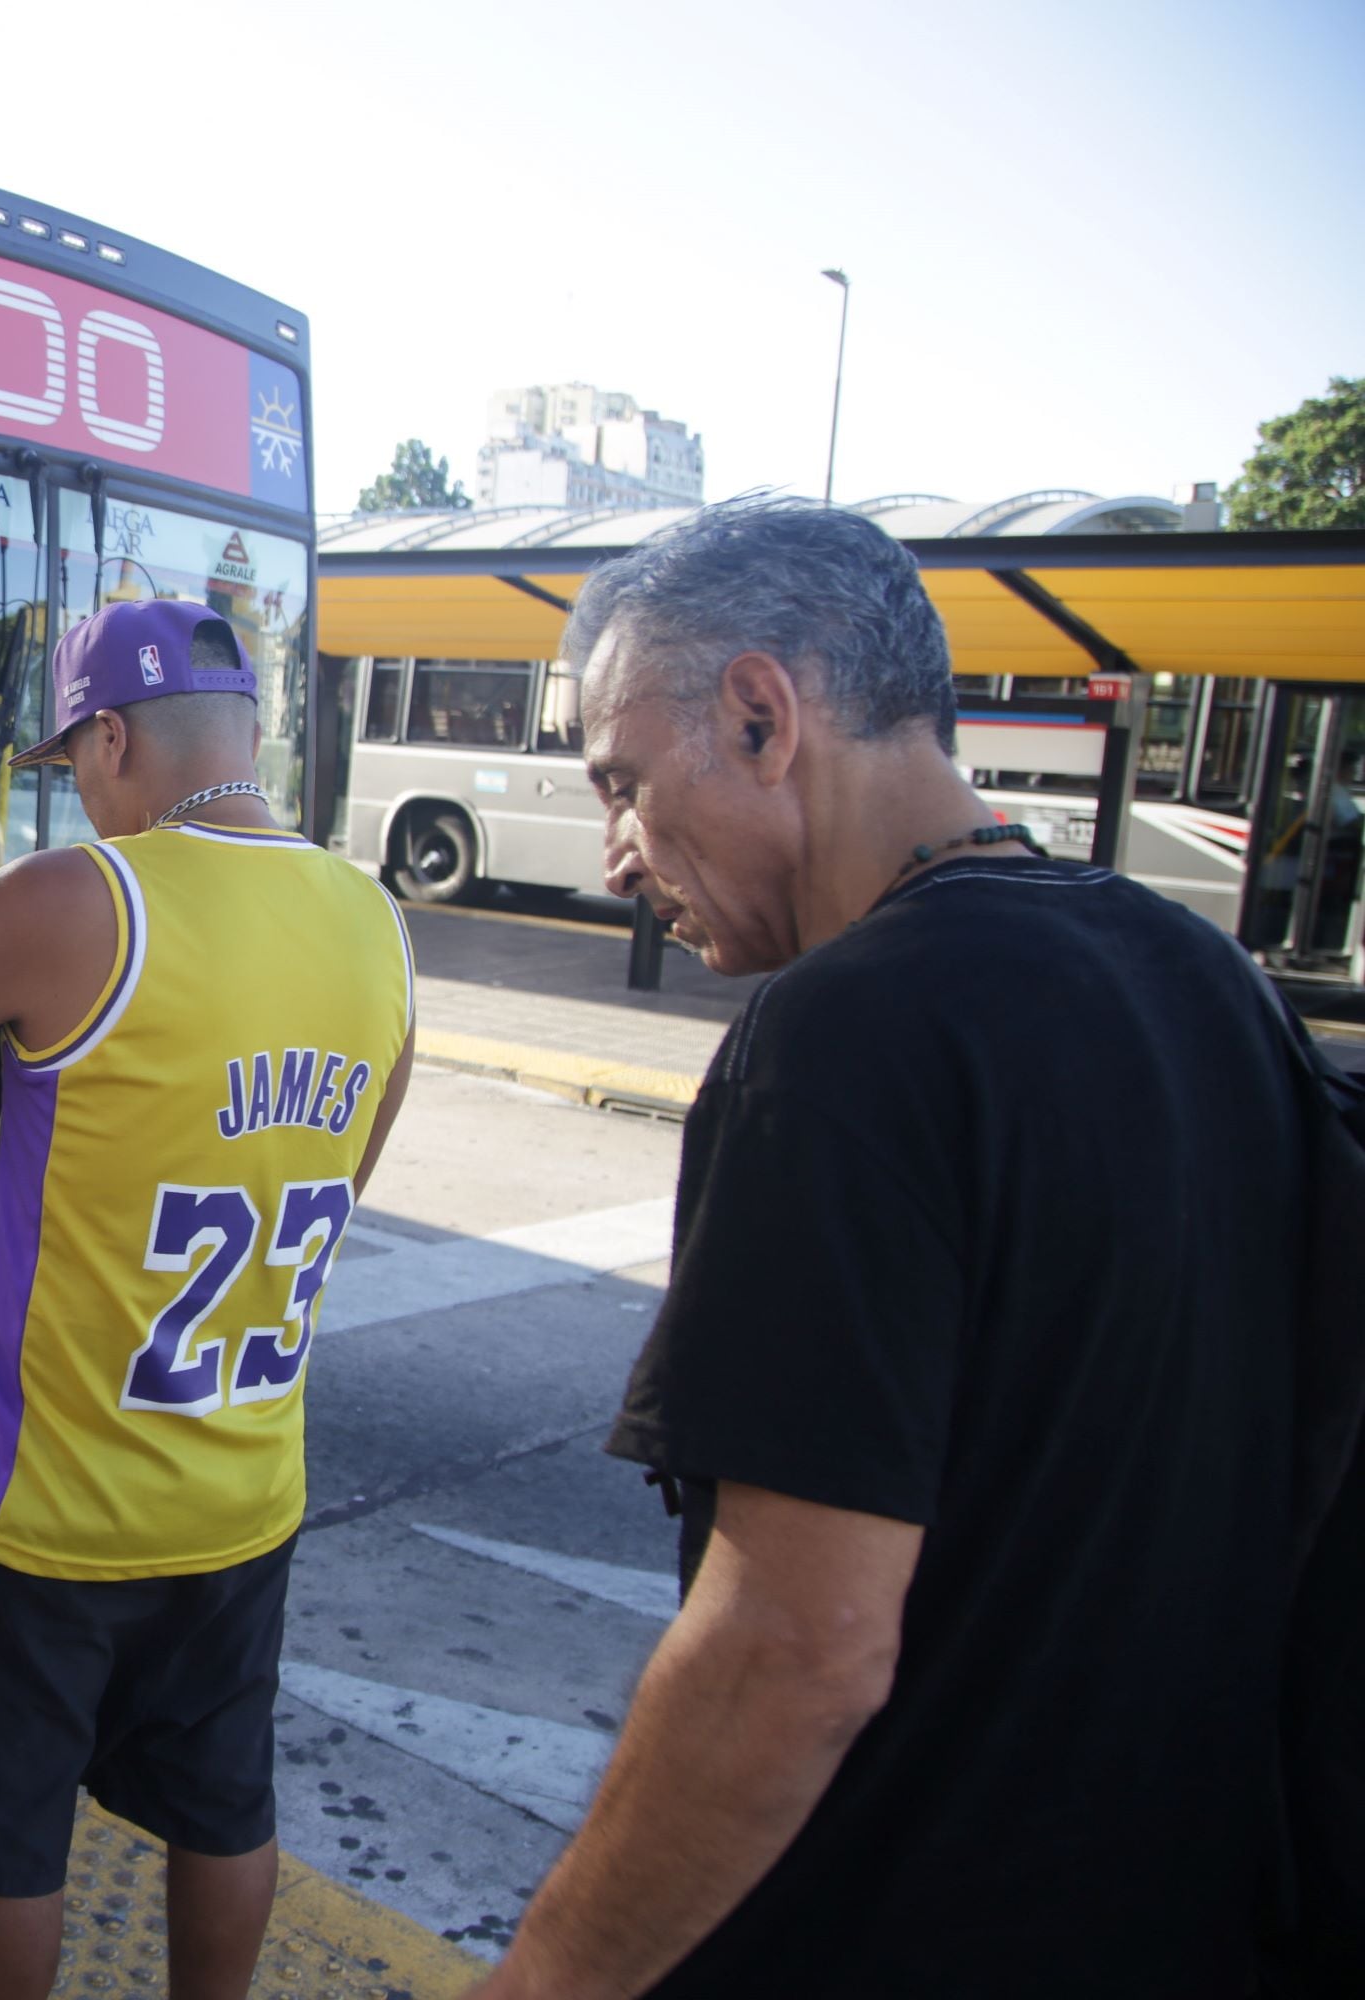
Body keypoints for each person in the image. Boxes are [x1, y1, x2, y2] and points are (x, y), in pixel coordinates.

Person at [458, 499, 1319, 2000]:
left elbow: (796, 1650)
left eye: (623, 784)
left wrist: (545, 1983)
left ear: (758, 714)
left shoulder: (848, 1037)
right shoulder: (1208, 978)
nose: (614, 854)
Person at [0, 598, 417, 2000]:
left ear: (111, 735)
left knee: (5, 1843)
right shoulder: (377, 920)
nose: (85, 794)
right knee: (224, 1805)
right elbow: (348, 1169)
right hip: (245, 1490)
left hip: (44, 1507)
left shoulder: (81, 898)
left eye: (78, 762)